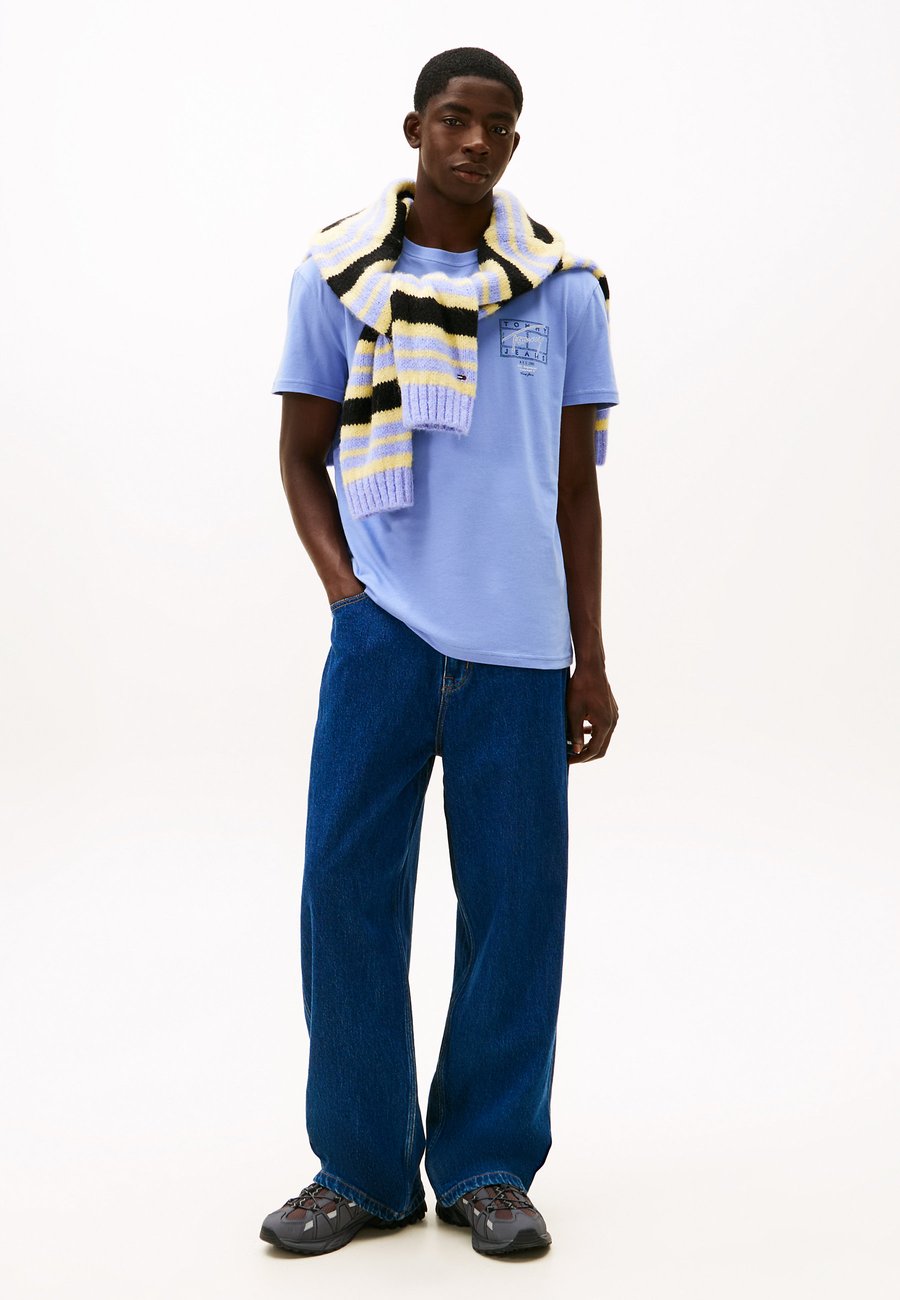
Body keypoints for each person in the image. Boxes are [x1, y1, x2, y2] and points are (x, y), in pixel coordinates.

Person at [259, 45, 620, 1259]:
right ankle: (360, 1168)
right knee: (346, 895)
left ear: (514, 143)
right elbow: (300, 453)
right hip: (386, 640)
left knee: (516, 911)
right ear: (415, 127)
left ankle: (487, 1163)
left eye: (498, 126)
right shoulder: (336, 277)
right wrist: (349, 598)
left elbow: (576, 487)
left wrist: (589, 655)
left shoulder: (563, 290)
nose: (475, 141)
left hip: (520, 649)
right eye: (456, 118)